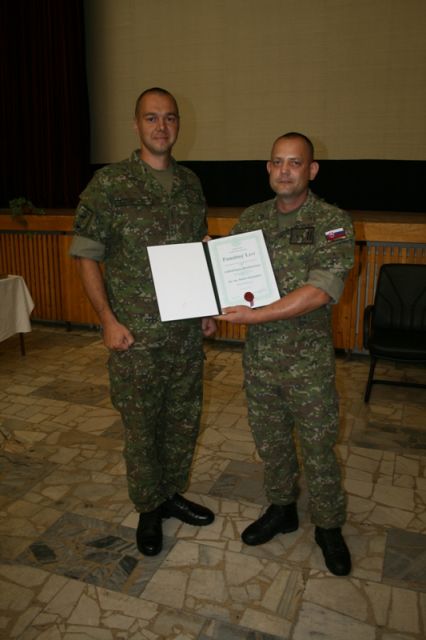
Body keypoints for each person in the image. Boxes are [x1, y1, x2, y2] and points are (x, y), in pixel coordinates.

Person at [70, 87, 215, 557]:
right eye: (151, 118)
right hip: (135, 336)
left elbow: (197, 249)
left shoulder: (190, 184)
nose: (161, 126)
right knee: (141, 427)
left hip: (184, 334)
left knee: (182, 421)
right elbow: (87, 255)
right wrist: (106, 320)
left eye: (169, 117)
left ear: (178, 124)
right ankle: (148, 508)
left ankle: (170, 494)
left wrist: (206, 307)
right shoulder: (110, 184)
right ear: (136, 125)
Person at [217, 132, 354, 575]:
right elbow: (226, 271)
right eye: (277, 162)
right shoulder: (252, 218)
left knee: (318, 448)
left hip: (307, 364)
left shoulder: (332, 222)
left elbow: (320, 291)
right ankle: (282, 509)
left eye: (295, 163)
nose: (284, 171)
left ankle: (329, 526)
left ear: (311, 170)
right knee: (271, 443)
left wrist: (255, 316)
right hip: (260, 361)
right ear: (268, 168)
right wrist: (206, 282)